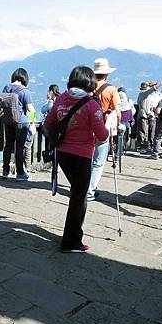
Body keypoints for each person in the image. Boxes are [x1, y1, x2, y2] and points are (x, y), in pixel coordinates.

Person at [44, 66, 109, 252]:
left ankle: (72, 237)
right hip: (81, 155)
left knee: (77, 193)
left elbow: (48, 124)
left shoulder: (61, 99)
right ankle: (71, 241)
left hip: (63, 153)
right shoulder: (91, 105)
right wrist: (109, 125)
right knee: (79, 198)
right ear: (89, 82)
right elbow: (102, 135)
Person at [86, 58, 121, 202]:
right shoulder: (111, 89)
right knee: (98, 162)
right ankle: (89, 191)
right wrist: (118, 125)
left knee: (86, 160)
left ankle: (80, 187)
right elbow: (118, 111)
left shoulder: (87, 88)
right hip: (102, 128)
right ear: (107, 74)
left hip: (87, 129)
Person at [1, 68, 35, 181]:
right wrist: (33, 123)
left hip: (8, 121)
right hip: (21, 122)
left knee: (8, 146)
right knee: (19, 148)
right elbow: (30, 109)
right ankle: (20, 173)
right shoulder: (25, 91)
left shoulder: (6, 88)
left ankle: (5, 171)